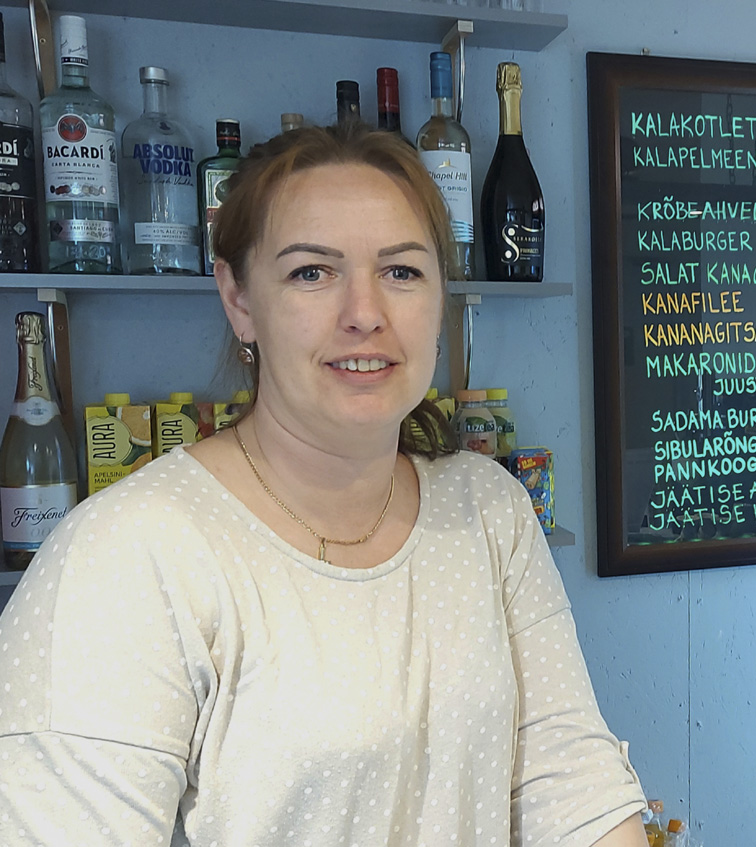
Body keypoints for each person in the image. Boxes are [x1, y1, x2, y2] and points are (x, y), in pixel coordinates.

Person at [0, 123, 648, 845]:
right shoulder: (128, 553)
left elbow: (573, 786)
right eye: (312, 272)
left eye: (402, 271)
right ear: (239, 298)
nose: (365, 314)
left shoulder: (487, 507)